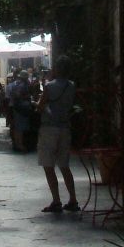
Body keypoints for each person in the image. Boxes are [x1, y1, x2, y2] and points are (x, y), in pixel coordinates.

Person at [37, 55, 79, 213]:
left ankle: (56, 200)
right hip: (65, 127)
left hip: (49, 127)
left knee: (48, 165)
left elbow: (41, 106)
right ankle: (73, 199)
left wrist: (39, 104)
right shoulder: (72, 86)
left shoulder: (49, 86)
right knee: (64, 165)